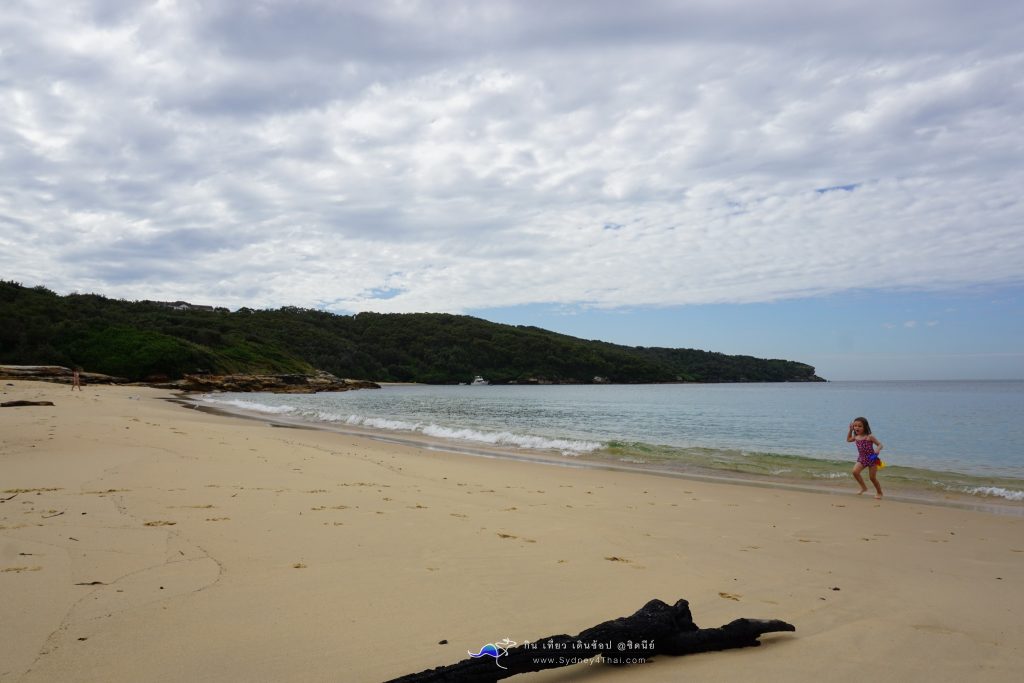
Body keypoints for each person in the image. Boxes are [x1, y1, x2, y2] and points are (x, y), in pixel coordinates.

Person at [847, 416, 883, 498]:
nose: (857, 427)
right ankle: (864, 487)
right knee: (855, 472)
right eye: (855, 425)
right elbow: (848, 440)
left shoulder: (869, 437)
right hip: (862, 458)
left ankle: (879, 492)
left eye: (860, 426)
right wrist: (850, 430)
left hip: (872, 458)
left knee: (872, 478)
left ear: (865, 427)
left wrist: (877, 449)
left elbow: (880, 445)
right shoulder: (856, 437)